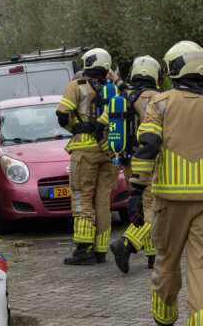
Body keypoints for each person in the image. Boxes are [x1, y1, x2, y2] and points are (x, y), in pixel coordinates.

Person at [131, 41, 203, 325]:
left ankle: (164, 315)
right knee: (202, 268)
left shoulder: (160, 104)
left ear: (174, 69)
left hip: (169, 201)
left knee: (166, 263)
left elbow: (147, 147)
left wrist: (136, 189)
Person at [56, 48, 121, 265]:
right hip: (109, 152)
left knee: (81, 197)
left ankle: (83, 249)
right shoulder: (114, 90)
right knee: (102, 202)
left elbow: (62, 115)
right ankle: (100, 250)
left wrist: (77, 127)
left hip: (84, 151)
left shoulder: (77, 86)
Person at [107, 55, 163, 274]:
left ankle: (152, 256)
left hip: (128, 160)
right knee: (153, 207)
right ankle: (126, 243)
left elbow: (104, 121)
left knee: (140, 206)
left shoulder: (124, 96)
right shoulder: (159, 99)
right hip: (151, 161)